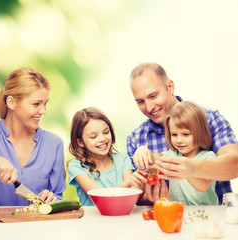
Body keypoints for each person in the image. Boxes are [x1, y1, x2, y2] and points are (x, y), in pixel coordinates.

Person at [127, 62, 238, 204]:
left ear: (170, 87)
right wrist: (147, 197)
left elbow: (235, 164)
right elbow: (136, 195)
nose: (149, 107)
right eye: (140, 101)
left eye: (153, 96)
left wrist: (192, 168)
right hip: (169, 216)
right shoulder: (136, 138)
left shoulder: (209, 119)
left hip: (215, 219)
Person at [0, 67, 66, 206]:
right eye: (36, 104)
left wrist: (52, 199)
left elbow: (58, 197)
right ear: (11, 102)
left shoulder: (54, 144)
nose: (43, 111)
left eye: (45, 104)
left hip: (37, 227)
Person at [132, 101, 218, 205]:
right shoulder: (172, 155)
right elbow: (153, 158)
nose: (179, 140)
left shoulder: (208, 157)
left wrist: (184, 169)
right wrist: (143, 150)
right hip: (177, 213)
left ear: (200, 132)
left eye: (185, 134)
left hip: (205, 214)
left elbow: (203, 186)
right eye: (174, 134)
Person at [68, 107, 134, 206]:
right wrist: (129, 182)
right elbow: (100, 196)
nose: (103, 139)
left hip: (122, 215)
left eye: (106, 132)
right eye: (93, 137)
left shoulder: (123, 159)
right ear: (80, 142)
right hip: (92, 220)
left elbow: (131, 194)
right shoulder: (76, 167)